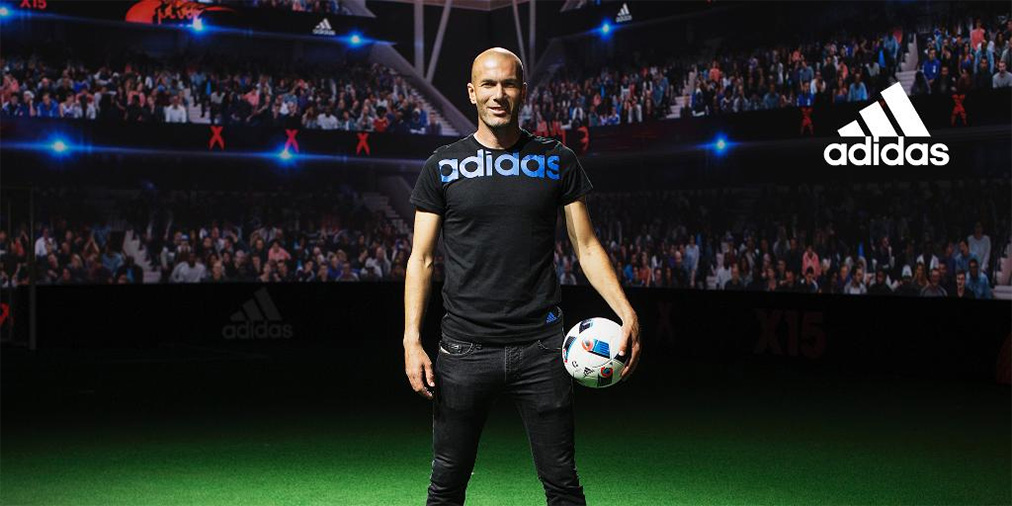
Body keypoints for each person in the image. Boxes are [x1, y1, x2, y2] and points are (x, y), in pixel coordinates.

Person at [404, 47, 640, 506]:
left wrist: (625, 309)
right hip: (463, 350)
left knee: (563, 485)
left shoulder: (557, 160)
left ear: (523, 92)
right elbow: (422, 259)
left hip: (543, 350)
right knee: (446, 488)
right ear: (472, 93)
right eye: (488, 85)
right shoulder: (442, 165)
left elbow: (586, 246)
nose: (499, 94)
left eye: (508, 84)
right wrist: (413, 338)